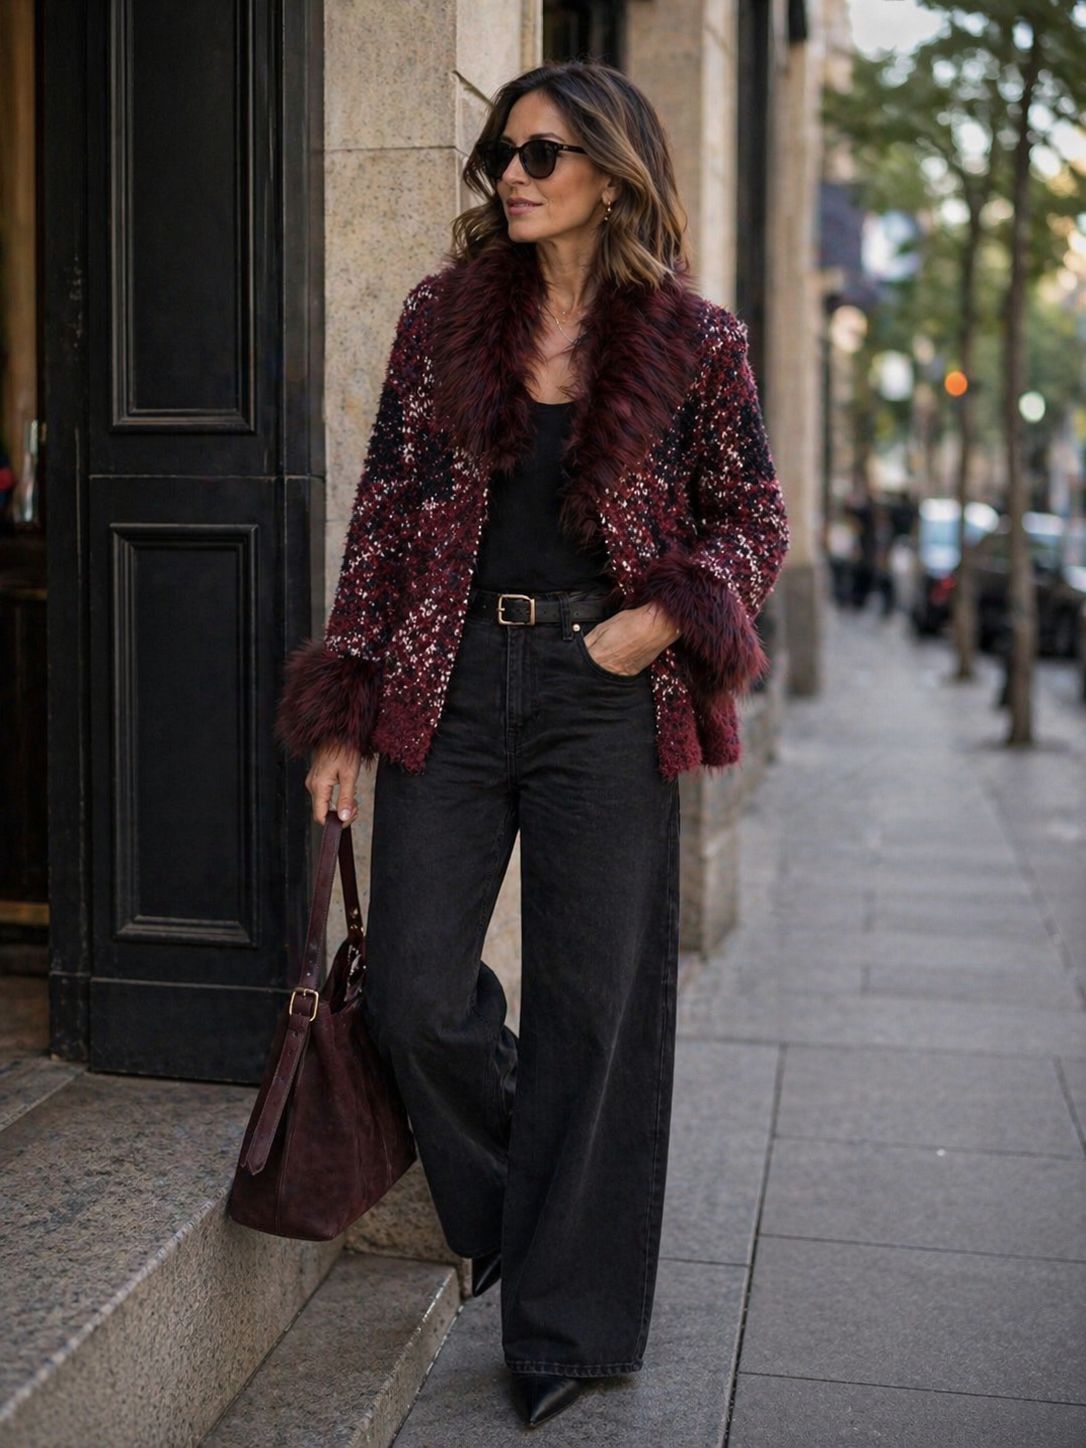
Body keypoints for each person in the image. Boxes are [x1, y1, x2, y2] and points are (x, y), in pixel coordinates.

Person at [275, 59, 790, 1430]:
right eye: (502, 153)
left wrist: (656, 621)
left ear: (611, 175)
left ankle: (567, 1326)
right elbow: (386, 518)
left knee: (594, 1006)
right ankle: (531, 1204)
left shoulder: (697, 341)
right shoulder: (442, 318)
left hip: (603, 693)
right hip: (450, 681)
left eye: (541, 154)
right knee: (414, 992)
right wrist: (344, 717)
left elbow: (754, 521)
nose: (510, 174)